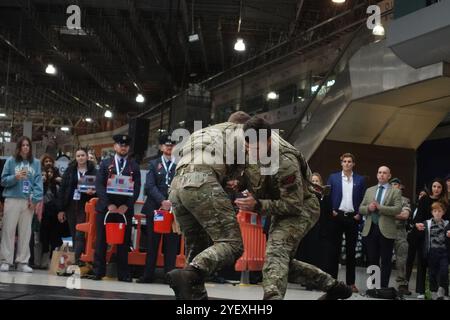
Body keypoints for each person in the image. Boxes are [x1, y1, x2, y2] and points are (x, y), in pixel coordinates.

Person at [235, 117, 352, 300]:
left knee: (276, 254)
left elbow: (293, 204)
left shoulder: (285, 161)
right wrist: (238, 182)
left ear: (267, 141)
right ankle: (334, 287)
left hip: (303, 207)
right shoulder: (252, 146)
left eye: (256, 148)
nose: (252, 153)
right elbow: (254, 175)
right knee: (282, 263)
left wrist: (258, 205)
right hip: (280, 206)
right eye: (249, 147)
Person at [166, 111, 251, 300]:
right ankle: (189, 273)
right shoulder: (242, 133)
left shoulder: (203, 132)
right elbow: (245, 173)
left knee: (197, 247)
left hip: (176, 187)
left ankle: (192, 298)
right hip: (202, 182)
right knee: (233, 244)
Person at [92, 134, 141, 282]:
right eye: (120, 144)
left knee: (124, 242)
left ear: (128, 148)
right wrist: (109, 204)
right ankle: (98, 272)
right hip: (106, 208)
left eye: (126, 145)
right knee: (101, 240)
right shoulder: (106, 164)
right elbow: (99, 185)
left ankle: (123, 274)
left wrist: (127, 205)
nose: (123, 147)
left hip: (124, 210)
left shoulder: (134, 165)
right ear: (115, 147)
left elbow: (137, 188)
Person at [137, 134, 180, 283]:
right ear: (161, 147)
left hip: (173, 210)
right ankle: (148, 275)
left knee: (171, 245)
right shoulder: (153, 164)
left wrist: (171, 201)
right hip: (155, 209)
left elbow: (182, 185)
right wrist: (162, 201)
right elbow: (149, 186)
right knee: (152, 243)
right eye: (166, 145)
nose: (169, 147)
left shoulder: (181, 164)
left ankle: (170, 277)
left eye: (172, 145)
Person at [0, 136, 43, 272]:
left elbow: (38, 183)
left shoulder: (35, 163)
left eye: (28, 145)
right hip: (12, 199)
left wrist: (35, 199)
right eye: (23, 145)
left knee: (26, 232)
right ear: (19, 147)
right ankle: (6, 260)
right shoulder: (11, 162)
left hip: (28, 201)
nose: (26, 147)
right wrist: (15, 177)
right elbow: (3, 180)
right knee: (8, 230)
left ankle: (22, 262)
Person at [326, 153, 366, 292]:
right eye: (345, 161)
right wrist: (331, 210)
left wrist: (359, 214)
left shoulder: (360, 180)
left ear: (353, 164)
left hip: (352, 218)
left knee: (351, 252)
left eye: (350, 161)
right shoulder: (333, 177)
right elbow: (327, 196)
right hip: (337, 216)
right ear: (341, 163)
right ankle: (331, 282)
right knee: (334, 251)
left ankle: (351, 283)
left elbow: (363, 199)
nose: (347, 163)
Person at [359, 166, 402, 288]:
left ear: (389, 176)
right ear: (377, 175)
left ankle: (383, 288)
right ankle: (373, 287)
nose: (381, 175)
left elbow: (398, 209)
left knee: (386, 261)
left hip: (386, 230)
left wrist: (380, 207)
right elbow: (360, 208)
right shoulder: (369, 190)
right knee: (372, 259)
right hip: (370, 229)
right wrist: (368, 208)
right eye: (379, 172)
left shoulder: (396, 191)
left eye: (384, 173)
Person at [406, 178, 448, 298]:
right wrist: (417, 224)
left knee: (438, 266)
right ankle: (421, 291)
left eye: (439, 187)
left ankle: (438, 292)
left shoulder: (445, 201)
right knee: (422, 263)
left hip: (439, 238)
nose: (436, 189)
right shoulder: (424, 199)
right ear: (431, 187)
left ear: (442, 189)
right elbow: (418, 216)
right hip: (424, 235)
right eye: (434, 186)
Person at [57, 147, 97, 266]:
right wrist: (61, 209)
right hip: (71, 205)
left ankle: (77, 259)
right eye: (78, 156)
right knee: (74, 233)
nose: (80, 158)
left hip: (85, 205)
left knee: (80, 233)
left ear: (86, 156)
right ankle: (78, 259)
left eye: (82, 155)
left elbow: (100, 187)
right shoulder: (70, 171)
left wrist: (93, 192)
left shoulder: (94, 171)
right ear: (76, 157)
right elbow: (63, 190)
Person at [416, 201, 450, 300]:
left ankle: (441, 288)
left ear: (443, 212)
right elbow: (419, 235)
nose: (437, 213)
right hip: (432, 252)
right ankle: (433, 291)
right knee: (432, 273)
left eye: (440, 211)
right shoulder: (427, 223)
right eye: (435, 211)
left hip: (444, 252)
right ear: (432, 212)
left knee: (444, 271)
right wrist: (418, 228)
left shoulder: (447, 224)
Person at [38, 155, 64, 268]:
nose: (48, 163)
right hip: (42, 212)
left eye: (50, 161)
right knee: (43, 237)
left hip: (55, 212)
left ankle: (53, 261)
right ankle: (42, 260)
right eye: (46, 161)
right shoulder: (40, 178)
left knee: (55, 236)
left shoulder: (58, 179)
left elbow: (63, 195)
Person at [389, 178, 411, 295]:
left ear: (400, 186)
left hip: (400, 232)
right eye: (391, 184)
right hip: (386, 230)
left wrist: (387, 212)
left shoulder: (404, 200)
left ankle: (402, 284)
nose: (393, 186)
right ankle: (382, 284)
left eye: (396, 184)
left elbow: (405, 215)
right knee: (384, 259)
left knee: (401, 259)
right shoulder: (384, 199)